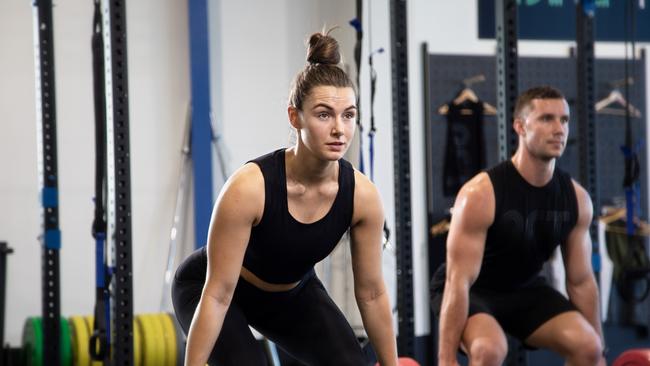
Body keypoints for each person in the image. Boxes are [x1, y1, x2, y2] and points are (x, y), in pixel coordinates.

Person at [172, 30, 398, 366]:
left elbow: (372, 293)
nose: (339, 129)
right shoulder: (250, 188)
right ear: (295, 117)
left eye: (348, 115)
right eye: (324, 114)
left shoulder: (362, 196)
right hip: (213, 289)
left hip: (292, 294)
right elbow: (218, 293)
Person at [431, 86, 606, 366]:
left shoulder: (577, 199)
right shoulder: (481, 194)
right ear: (520, 127)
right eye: (546, 119)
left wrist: (601, 352)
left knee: (587, 347)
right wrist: (446, 358)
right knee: (489, 350)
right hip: (475, 290)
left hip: (526, 289)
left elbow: (581, 281)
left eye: (564, 120)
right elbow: (458, 281)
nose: (559, 129)